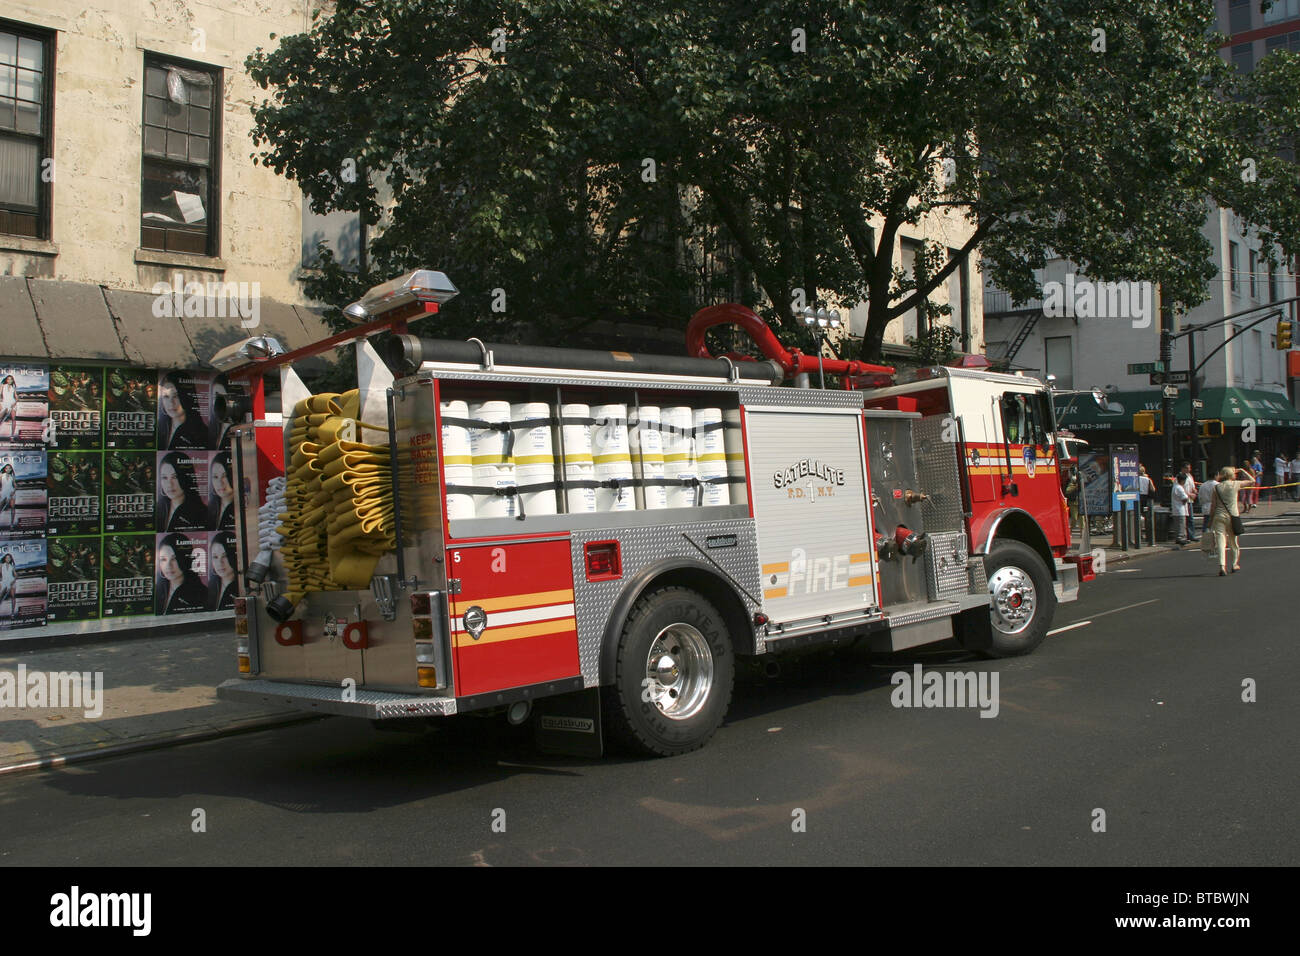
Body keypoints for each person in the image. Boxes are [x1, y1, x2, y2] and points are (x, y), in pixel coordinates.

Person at [1206, 465, 1254, 576]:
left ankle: (1222, 566)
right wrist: (1243, 470)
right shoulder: (1235, 484)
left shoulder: (1216, 487)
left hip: (1219, 516)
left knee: (1221, 543)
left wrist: (1210, 520)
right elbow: (1252, 481)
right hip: (1232, 516)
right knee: (1233, 542)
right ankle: (1234, 564)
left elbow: (1213, 506)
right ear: (1231, 475)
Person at [155, 534, 208, 615]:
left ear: (185, 559)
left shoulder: (202, 594)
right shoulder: (156, 590)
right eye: (163, 559)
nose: (168, 565)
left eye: (174, 558)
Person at [155, 452, 207, 532]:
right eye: (164, 477)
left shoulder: (202, 513)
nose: (169, 484)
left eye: (175, 477)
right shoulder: (157, 509)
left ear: (186, 477)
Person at [157, 373, 208, 450]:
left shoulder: (202, 433)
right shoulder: (158, 427)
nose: (171, 402)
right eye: (166, 396)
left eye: (176, 396)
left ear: (186, 397)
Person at [207, 531, 239, 611]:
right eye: (215, 557)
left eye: (225, 556)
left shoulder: (242, 586)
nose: (220, 562)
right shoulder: (211, 586)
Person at [207, 452, 236, 531]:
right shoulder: (209, 509)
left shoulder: (243, 507)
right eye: (215, 477)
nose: (220, 482)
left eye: (225, 476)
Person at [1171, 470, 1191, 546]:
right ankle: (1181, 538)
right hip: (1180, 509)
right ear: (1182, 480)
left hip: (1176, 509)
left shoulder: (1175, 487)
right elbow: (1185, 497)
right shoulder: (1179, 488)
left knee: (1177, 524)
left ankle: (1178, 538)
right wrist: (1185, 501)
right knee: (1181, 524)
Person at [1197, 470, 1219, 537]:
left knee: (1206, 524)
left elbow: (1200, 497)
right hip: (1215, 507)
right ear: (1215, 476)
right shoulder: (1217, 485)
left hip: (1205, 507)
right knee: (1216, 525)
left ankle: (1206, 540)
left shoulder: (1203, 485)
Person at [0, 374, 18, 442]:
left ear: (12, 380)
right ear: (6, 380)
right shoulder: (2, 386)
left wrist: (15, 403)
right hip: (5, 404)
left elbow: (16, 397)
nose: (9, 380)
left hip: (12, 404)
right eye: (8, 379)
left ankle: (12, 437)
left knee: (13, 419)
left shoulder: (13, 387)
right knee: (1, 418)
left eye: (11, 379)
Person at [0, 462, 15, 531]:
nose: (8, 469)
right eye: (6, 468)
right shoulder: (1, 475)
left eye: (9, 468)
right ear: (5, 469)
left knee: (12, 508)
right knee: (1, 508)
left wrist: (13, 491)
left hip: (11, 493)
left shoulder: (12, 476)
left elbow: (15, 486)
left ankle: (11, 524)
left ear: (11, 469)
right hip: (3, 493)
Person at [0, 552, 15, 618]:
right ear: (5, 559)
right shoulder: (1, 565)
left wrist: (13, 581)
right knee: (0, 595)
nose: (8, 559)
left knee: (13, 597)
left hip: (11, 581)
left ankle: (12, 613)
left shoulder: (12, 566)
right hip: (4, 582)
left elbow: (16, 575)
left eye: (9, 558)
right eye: (7, 558)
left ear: (11, 559)